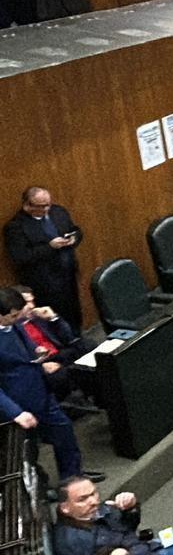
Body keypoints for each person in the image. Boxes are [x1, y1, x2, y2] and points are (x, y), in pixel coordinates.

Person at [0, 288, 96, 482]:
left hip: (40, 393)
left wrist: (37, 352)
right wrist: (15, 412)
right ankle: (39, 490)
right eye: (13, 315)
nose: (19, 318)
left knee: (64, 431)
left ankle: (73, 478)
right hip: (17, 405)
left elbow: (25, 346)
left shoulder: (15, 323)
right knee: (27, 453)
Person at [54, 477, 173, 555]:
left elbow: (128, 526)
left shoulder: (94, 511)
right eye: (83, 499)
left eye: (94, 494)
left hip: (147, 545)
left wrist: (130, 508)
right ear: (65, 508)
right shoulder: (70, 540)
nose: (93, 501)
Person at [4, 188, 84, 333]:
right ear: (27, 205)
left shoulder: (58, 212)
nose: (46, 209)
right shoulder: (15, 227)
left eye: (48, 204)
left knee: (74, 314)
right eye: (41, 206)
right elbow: (20, 257)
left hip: (68, 275)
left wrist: (74, 238)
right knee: (56, 322)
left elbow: (76, 230)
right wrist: (50, 247)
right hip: (45, 284)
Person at [13, 286, 92, 407]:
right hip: (41, 362)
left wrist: (54, 318)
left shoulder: (39, 317)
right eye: (26, 303)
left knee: (89, 346)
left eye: (32, 301)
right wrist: (40, 366)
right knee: (60, 374)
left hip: (59, 353)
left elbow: (69, 337)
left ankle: (96, 392)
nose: (32, 306)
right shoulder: (11, 330)